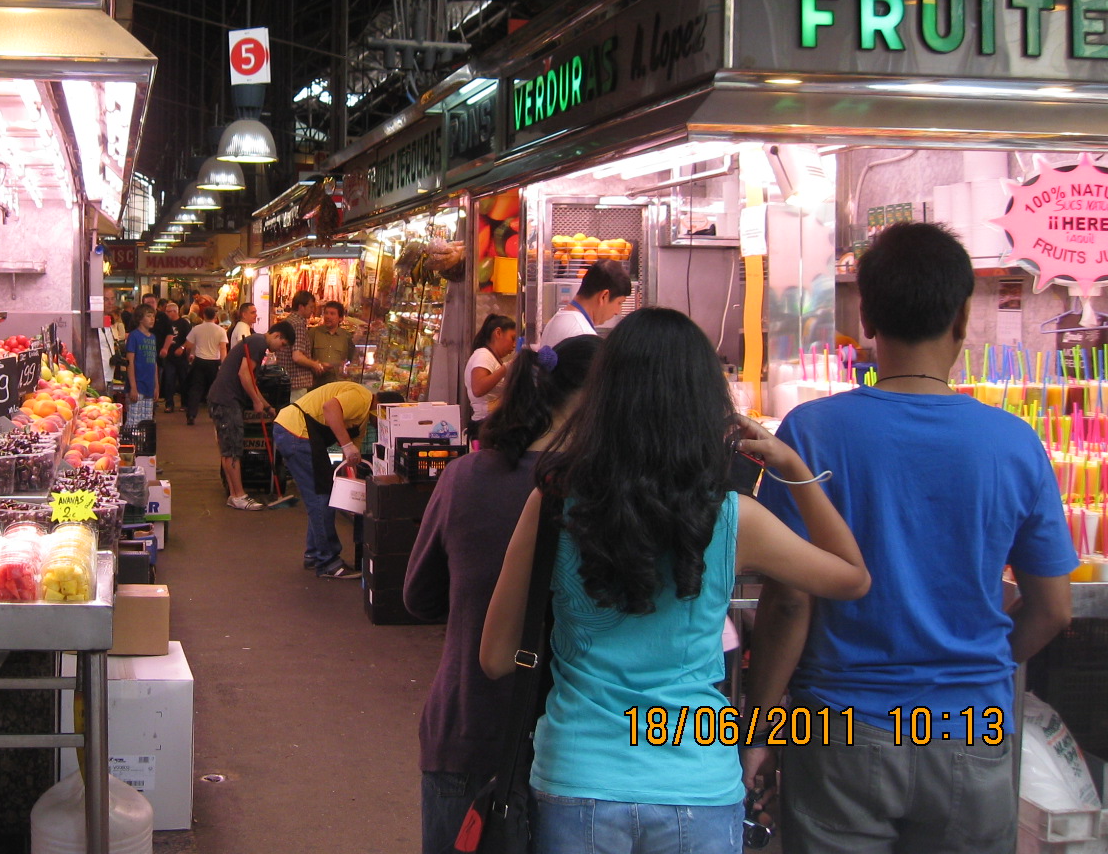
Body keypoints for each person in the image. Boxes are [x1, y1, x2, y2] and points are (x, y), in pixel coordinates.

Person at [482, 307, 871, 854]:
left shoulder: (552, 504)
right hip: (698, 784)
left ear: (604, 396)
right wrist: (792, 467)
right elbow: (852, 577)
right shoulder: (734, 519)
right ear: (705, 403)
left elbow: (497, 658)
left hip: (579, 777)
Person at [744, 223, 1076, 854]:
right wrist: (984, 668)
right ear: (961, 319)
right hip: (972, 728)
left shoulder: (811, 434)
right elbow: (1054, 608)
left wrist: (757, 729)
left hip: (841, 728)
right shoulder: (1014, 445)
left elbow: (790, 603)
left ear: (865, 317)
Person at [406, 335, 601, 854]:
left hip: (470, 728)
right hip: (585, 745)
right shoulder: (608, 491)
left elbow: (419, 597)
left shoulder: (466, 476)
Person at [272, 381, 405, 578]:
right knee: (321, 497)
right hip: (297, 432)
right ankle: (329, 562)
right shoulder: (362, 397)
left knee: (320, 496)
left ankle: (314, 554)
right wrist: (346, 445)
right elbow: (330, 408)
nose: (382, 425)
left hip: (299, 433)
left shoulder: (361, 424)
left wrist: (352, 480)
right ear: (382, 407)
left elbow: (350, 460)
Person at [208, 320, 295, 510]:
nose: (280, 349)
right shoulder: (258, 343)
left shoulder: (256, 343)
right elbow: (244, 374)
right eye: (283, 344)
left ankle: (234, 494)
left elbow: (252, 382)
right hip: (226, 400)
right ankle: (239, 495)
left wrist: (267, 406)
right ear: (277, 335)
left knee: (229, 448)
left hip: (223, 399)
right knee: (232, 448)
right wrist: (256, 401)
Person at [538, 258, 632, 347]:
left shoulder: (557, 319)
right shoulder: (583, 335)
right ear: (604, 296)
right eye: (619, 303)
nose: (618, 311)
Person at [464, 315, 517, 442]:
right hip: (484, 428)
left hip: (492, 426)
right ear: (498, 333)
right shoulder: (483, 355)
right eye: (512, 338)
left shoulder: (491, 357)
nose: (514, 345)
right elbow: (478, 388)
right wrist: (506, 368)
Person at [182, 305, 228, 424]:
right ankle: (216, 414)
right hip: (214, 362)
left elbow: (189, 345)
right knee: (215, 389)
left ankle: (191, 414)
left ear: (203, 316)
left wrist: (189, 357)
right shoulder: (221, 330)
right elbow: (223, 349)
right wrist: (223, 364)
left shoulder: (197, 329)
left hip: (200, 361)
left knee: (196, 388)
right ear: (215, 316)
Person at [125, 304, 160, 430]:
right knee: (134, 421)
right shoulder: (134, 336)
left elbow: (154, 362)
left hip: (149, 385)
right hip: (137, 385)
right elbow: (130, 362)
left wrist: (156, 385)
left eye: (153, 316)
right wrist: (133, 387)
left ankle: (143, 446)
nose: (152, 319)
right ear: (140, 318)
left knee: (146, 421)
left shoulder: (153, 338)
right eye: (148, 316)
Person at [309, 300, 356, 387]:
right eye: (326, 313)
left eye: (332, 313)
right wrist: (316, 365)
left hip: (337, 384)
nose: (328, 316)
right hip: (316, 383)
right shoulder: (314, 333)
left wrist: (345, 367)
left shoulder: (346, 336)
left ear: (340, 318)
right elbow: (305, 356)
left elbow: (351, 360)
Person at [284, 290, 319, 402]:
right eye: (310, 307)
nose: (312, 310)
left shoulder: (288, 321)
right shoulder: (298, 325)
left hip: (287, 380)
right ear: (301, 307)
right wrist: (315, 365)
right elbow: (297, 356)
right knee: (296, 415)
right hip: (297, 382)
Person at [159, 299, 191, 414]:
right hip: (169, 357)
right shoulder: (164, 324)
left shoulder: (184, 324)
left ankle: (185, 403)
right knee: (169, 380)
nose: (166, 313)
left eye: (168, 311)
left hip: (181, 358)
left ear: (175, 312)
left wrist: (182, 348)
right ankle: (169, 404)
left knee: (183, 380)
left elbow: (190, 339)